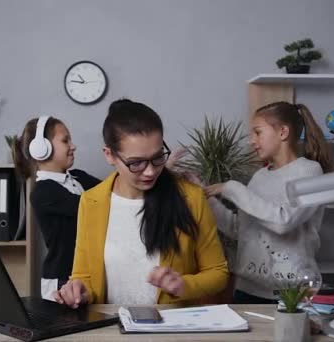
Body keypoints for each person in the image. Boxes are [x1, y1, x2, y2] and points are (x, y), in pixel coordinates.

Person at [53, 99, 229, 308]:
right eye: (136, 163)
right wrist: (79, 291)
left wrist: (183, 285)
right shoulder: (91, 202)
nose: (150, 171)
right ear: (109, 155)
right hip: (111, 332)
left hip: (172, 331)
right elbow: (84, 276)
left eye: (157, 158)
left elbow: (218, 273)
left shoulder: (191, 198)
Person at [204, 101, 334, 304]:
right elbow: (240, 229)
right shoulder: (260, 177)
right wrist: (207, 199)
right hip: (246, 290)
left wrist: (232, 188)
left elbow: (283, 222)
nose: (252, 141)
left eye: (258, 132)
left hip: (291, 295)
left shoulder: (309, 171)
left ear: (283, 132)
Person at [13, 116, 100, 301]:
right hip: (62, 279)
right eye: (65, 140)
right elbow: (92, 207)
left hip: (87, 274)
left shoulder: (78, 177)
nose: (73, 146)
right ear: (41, 148)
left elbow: (113, 190)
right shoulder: (43, 192)